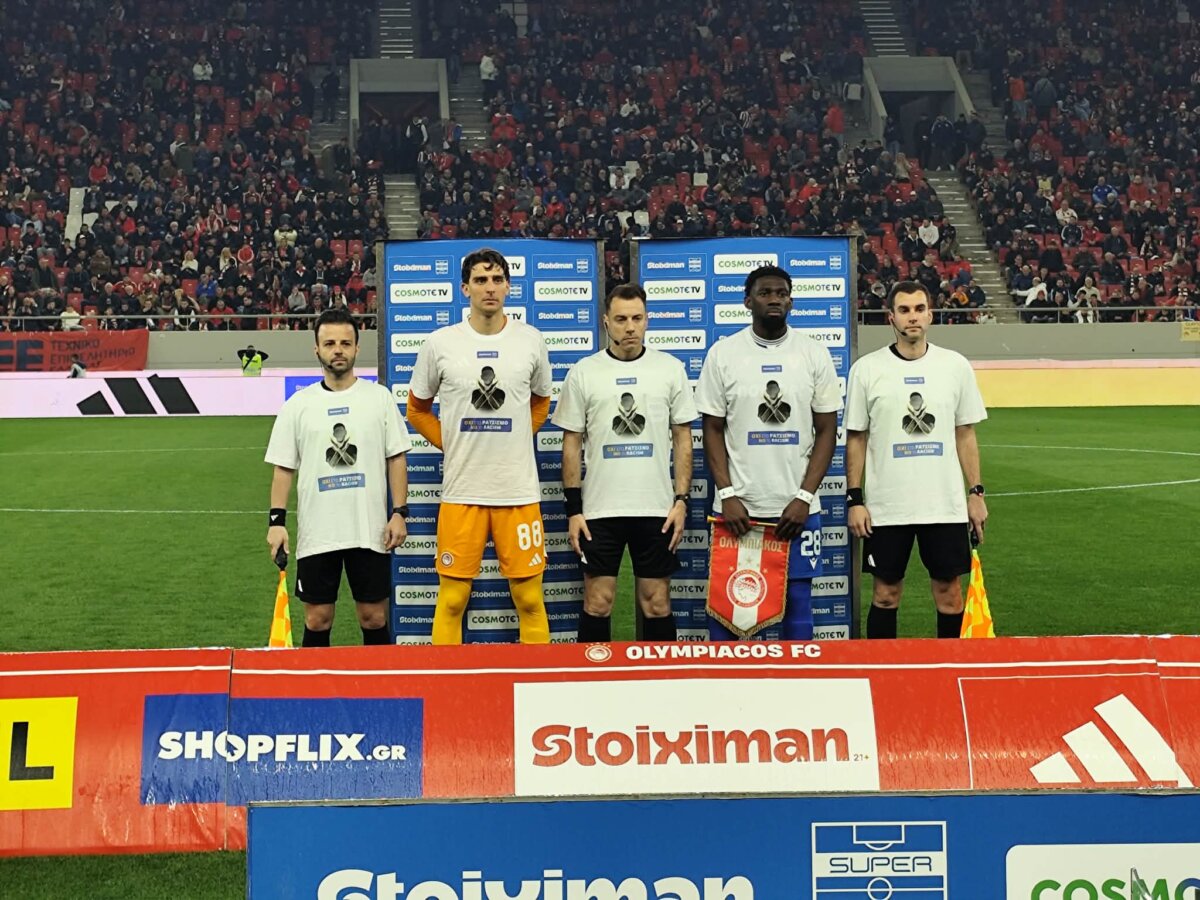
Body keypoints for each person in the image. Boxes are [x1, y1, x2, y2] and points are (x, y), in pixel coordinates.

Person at [406, 248, 553, 645]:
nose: (490, 287)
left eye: (497, 279)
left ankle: (535, 680)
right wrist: (453, 444)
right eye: (481, 280)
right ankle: (447, 682)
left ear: (508, 286)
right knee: (453, 600)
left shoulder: (530, 340)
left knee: (529, 599)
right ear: (465, 288)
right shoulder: (440, 343)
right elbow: (416, 410)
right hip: (462, 492)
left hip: (517, 492)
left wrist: (518, 437)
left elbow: (542, 402)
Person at [695, 264, 843, 640]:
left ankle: (797, 678)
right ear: (748, 301)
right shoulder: (723, 354)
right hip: (737, 509)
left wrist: (804, 497)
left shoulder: (814, 353)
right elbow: (711, 429)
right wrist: (727, 495)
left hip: (797, 508)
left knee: (798, 602)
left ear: (791, 301)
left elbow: (828, 430)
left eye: (781, 293)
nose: (774, 299)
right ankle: (730, 679)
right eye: (765, 293)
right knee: (729, 607)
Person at [552, 283, 698, 643]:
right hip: (600, 509)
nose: (630, 327)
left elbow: (683, 438)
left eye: (637, 318)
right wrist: (574, 509)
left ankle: (660, 678)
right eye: (621, 319)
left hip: (656, 508)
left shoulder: (670, 369)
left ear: (647, 320)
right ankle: (593, 676)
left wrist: (681, 501)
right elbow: (571, 443)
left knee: (657, 603)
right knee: (598, 602)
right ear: (606, 321)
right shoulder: (584, 372)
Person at [844, 280, 989, 640]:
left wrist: (976, 492)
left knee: (950, 595)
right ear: (891, 317)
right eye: (905, 310)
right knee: (885, 595)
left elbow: (965, 433)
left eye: (920, 309)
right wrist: (855, 499)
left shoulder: (954, 365)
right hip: (887, 507)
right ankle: (883, 670)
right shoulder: (867, 369)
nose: (913, 317)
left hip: (943, 506)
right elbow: (856, 438)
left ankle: (950, 669)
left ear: (930, 315)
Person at [264, 308, 411, 648]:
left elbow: (396, 458)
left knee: (374, 616)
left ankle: (379, 681)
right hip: (319, 532)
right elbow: (283, 467)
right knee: (317, 618)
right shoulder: (298, 405)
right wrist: (276, 522)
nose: (338, 350)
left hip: (369, 529)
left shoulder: (379, 398)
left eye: (345, 343)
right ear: (317, 349)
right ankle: (315, 683)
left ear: (357, 348)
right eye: (329, 343)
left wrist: (399, 512)